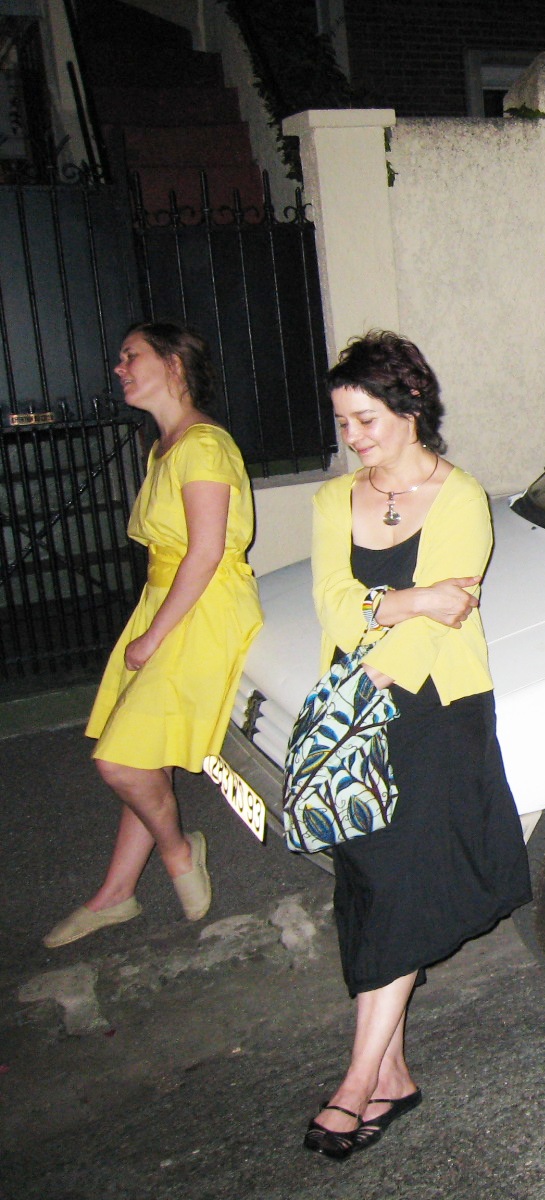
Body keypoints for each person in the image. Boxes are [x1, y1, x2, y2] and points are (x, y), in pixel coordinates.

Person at [302, 331, 530, 1159]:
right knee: (368, 883)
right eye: (343, 422)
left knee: (400, 884)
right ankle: (392, 1073)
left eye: (366, 419)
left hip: (434, 716)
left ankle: (356, 1081)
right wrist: (407, 598)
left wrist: (381, 638)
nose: (353, 437)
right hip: (358, 720)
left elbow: (448, 617)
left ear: (410, 408)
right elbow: (333, 605)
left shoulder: (460, 496)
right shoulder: (334, 501)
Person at [45, 323, 262, 948]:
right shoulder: (165, 447)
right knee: (143, 747)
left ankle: (178, 849)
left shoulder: (204, 446)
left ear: (172, 364)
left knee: (121, 760)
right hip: (166, 599)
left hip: (203, 607)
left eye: (130, 356)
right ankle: (117, 894)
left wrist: (152, 636)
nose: (119, 368)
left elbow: (207, 551)